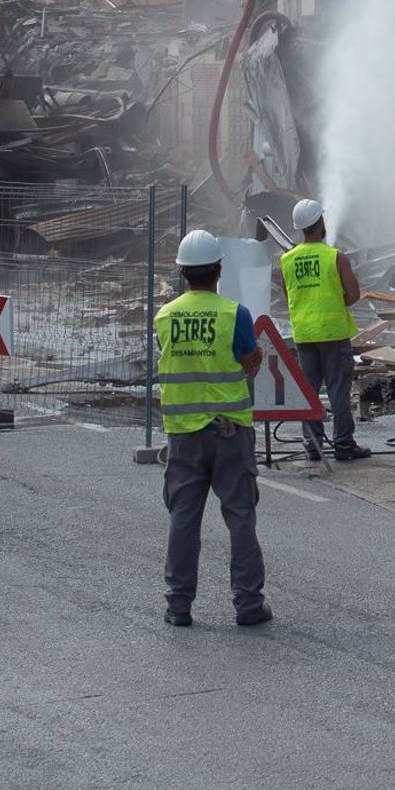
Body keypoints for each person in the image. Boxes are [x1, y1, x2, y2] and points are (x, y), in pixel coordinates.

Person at [154, 229, 272, 629]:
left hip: (183, 434)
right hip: (229, 431)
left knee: (183, 520)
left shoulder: (164, 316)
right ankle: (248, 605)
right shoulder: (233, 313)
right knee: (240, 517)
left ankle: (179, 605)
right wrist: (254, 359)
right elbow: (246, 359)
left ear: (182, 273)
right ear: (218, 270)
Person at [280, 200, 371, 463]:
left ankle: (313, 446)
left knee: (309, 391)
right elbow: (353, 294)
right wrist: (332, 301)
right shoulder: (335, 257)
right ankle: (344, 445)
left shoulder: (287, 260)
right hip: (333, 333)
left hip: (304, 334)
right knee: (338, 390)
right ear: (320, 223)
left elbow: (289, 296)